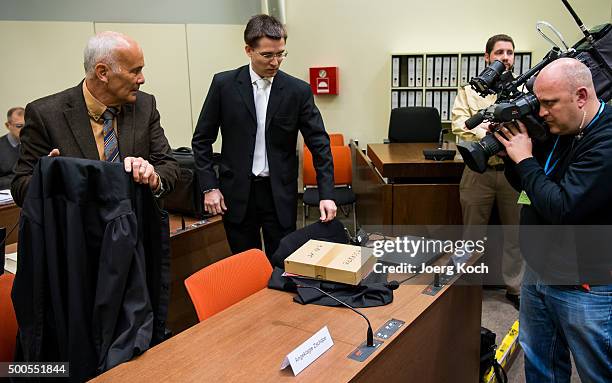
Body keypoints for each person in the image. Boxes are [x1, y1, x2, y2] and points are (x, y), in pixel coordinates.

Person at [496, 58, 612, 383]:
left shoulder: (606, 139)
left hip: (585, 281)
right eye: (539, 103)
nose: (542, 113)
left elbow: (562, 207)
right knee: (539, 362)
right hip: (538, 269)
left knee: (597, 370)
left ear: (581, 96)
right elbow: (530, 184)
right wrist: (513, 160)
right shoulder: (563, 128)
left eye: (549, 103)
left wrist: (526, 158)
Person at [192, 14, 336, 258]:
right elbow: (202, 140)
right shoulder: (224, 85)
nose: (276, 62)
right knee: (245, 263)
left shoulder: (297, 91)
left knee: (282, 262)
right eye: (268, 55)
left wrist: (327, 195)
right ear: (248, 50)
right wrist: (209, 187)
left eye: (281, 53)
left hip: (278, 192)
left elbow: (320, 144)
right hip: (237, 193)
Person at [11, 31, 179, 206]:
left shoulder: (144, 105)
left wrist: (154, 178)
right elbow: (19, 188)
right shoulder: (45, 115)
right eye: (135, 71)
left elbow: (169, 165)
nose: (142, 79)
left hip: (137, 227)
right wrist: (49, 178)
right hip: (77, 230)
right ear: (102, 72)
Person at [451, 34, 523, 309]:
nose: (505, 57)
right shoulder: (470, 91)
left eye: (510, 52)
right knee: (472, 234)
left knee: (515, 235)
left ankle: (515, 289)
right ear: (487, 56)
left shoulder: (522, 90)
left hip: (513, 172)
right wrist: (491, 132)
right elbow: (459, 123)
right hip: (477, 171)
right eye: (500, 52)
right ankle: (469, 288)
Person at [0, 107, 24, 189]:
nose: (24, 130)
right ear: (8, 125)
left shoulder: (34, 144)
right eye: (19, 126)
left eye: (26, 126)